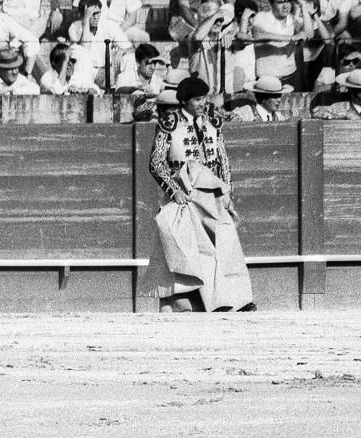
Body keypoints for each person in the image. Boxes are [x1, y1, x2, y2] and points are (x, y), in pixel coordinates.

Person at [142, 75, 255, 313]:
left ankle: (234, 299)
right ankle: (203, 302)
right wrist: (174, 192)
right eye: (197, 99)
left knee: (224, 243)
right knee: (190, 250)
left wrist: (227, 191)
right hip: (185, 196)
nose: (203, 103)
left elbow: (222, 158)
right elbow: (156, 163)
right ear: (184, 101)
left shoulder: (213, 121)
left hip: (212, 195)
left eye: (204, 97)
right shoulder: (169, 123)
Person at [67, 0, 134, 91]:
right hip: (87, 72)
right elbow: (84, 50)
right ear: (83, 14)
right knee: (78, 55)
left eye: (98, 13)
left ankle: (123, 90)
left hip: (108, 71)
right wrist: (85, 22)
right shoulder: (74, 27)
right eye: (91, 14)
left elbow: (130, 49)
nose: (96, 17)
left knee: (129, 57)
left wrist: (122, 51)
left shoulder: (109, 25)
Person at [252, 0, 313, 89]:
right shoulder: (261, 17)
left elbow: (309, 35)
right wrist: (291, 38)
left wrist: (303, 5)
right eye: (280, 2)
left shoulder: (292, 20)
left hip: (290, 76)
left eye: (288, 1)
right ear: (271, 4)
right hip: (267, 80)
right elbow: (258, 35)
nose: (285, 6)